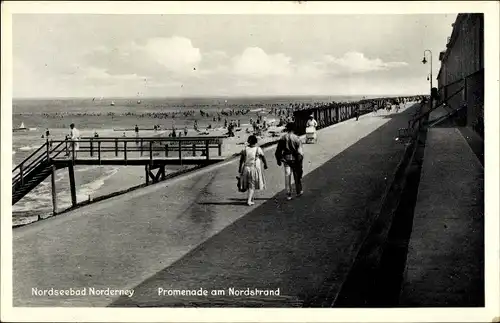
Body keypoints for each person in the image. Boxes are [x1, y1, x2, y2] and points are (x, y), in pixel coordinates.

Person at [275, 122, 304, 200]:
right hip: (295, 159)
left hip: (286, 159)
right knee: (297, 175)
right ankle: (299, 191)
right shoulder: (297, 138)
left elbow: (278, 151)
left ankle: (288, 194)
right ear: (294, 129)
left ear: (287, 129)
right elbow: (300, 152)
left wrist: (278, 160)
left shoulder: (283, 138)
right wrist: (300, 161)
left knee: (287, 175)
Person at [238, 135, 268, 206]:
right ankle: (249, 201)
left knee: (248, 184)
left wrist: (239, 168)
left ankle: (251, 198)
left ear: (248, 141)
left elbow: (241, 160)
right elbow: (263, 157)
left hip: (245, 168)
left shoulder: (245, 149)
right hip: (254, 168)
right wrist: (265, 165)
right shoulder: (258, 149)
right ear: (256, 142)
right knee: (252, 184)